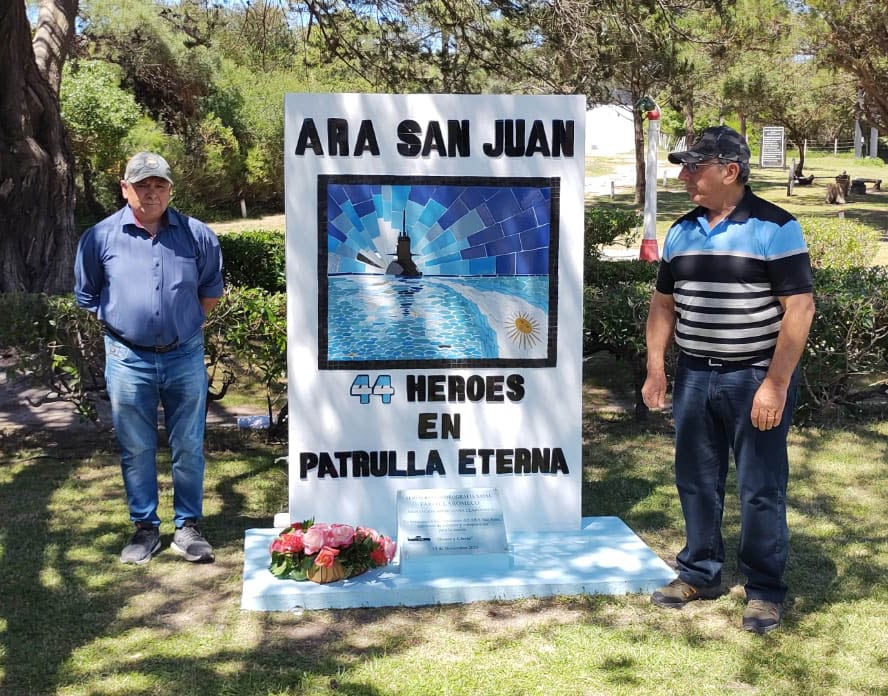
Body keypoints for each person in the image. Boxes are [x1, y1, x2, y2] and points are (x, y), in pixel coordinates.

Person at [641, 126, 815, 634]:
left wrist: (775, 384)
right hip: (696, 374)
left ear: (730, 171)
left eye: (694, 167)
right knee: (696, 479)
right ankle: (700, 572)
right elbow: (664, 304)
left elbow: (800, 309)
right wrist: (656, 367)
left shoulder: (776, 227)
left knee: (760, 486)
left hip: (755, 375)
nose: (684, 176)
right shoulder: (681, 231)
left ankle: (764, 590)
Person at [74, 152, 223, 565]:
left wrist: (180, 326)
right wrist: (128, 327)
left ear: (170, 190)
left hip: (184, 354)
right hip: (127, 358)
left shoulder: (197, 235)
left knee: (188, 444)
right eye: (142, 185)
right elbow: (88, 296)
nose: (151, 193)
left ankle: (188, 527)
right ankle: (145, 529)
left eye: (159, 185)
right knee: (136, 447)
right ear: (125, 189)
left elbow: (209, 291)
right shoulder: (99, 237)